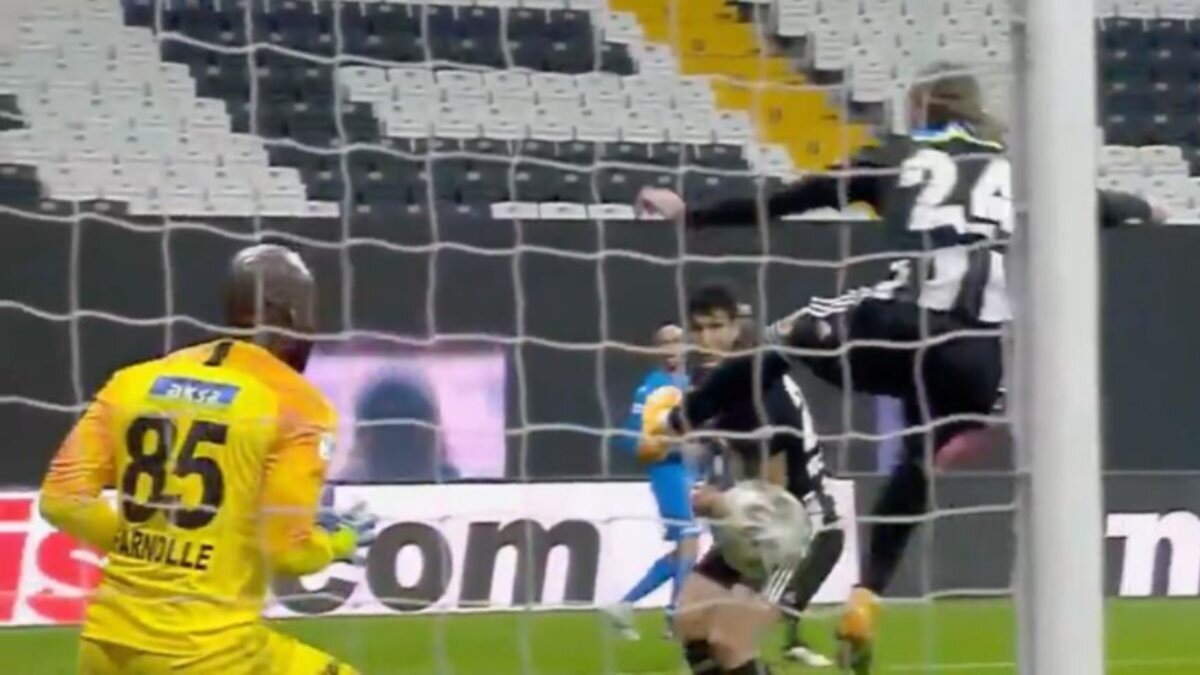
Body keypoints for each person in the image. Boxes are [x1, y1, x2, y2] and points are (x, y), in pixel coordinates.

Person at [636, 63, 1159, 673]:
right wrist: (1148, 207)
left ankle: (678, 422)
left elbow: (793, 198)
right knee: (918, 459)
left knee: (781, 339)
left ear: (918, 109)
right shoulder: (1027, 174)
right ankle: (868, 596)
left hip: (900, 320)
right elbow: (1104, 205)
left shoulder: (899, 153)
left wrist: (693, 213)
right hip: (978, 357)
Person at [39, 244, 374, 675]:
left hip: (105, 648)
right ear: (296, 317)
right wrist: (336, 542)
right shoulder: (297, 405)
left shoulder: (135, 380)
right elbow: (287, 552)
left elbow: (61, 500)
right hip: (209, 654)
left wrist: (151, 546)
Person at [641, 283, 845, 674]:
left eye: (717, 327)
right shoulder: (723, 379)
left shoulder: (755, 392)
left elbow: (773, 496)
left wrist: (717, 501)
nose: (706, 338)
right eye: (698, 328)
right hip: (756, 528)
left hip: (798, 532)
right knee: (690, 623)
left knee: (728, 642)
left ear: (737, 326)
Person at [604, 322, 696, 640]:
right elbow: (628, 438)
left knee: (686, 550)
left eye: (678, 341)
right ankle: (675, 615)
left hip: (693, 472)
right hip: (667, 472)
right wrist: (665, 445)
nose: (672, 348)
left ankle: (626, 606)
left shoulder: (690, 384)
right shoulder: (651, 389)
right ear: (657, 351)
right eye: (666, 343)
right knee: (689, 538)